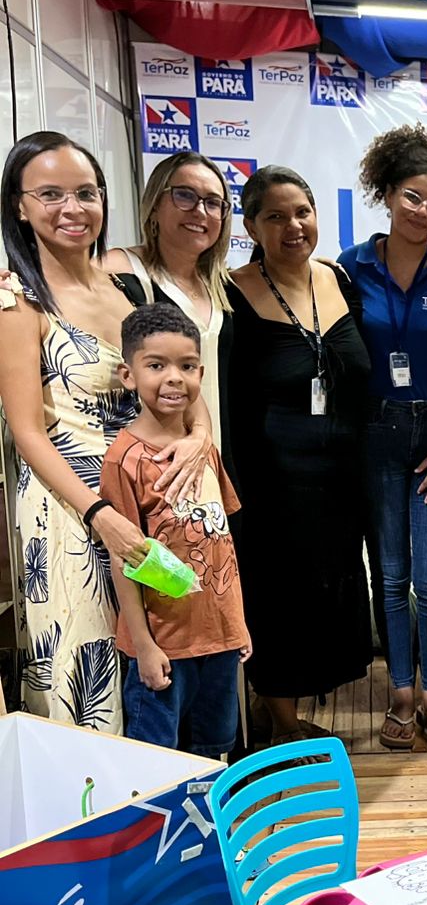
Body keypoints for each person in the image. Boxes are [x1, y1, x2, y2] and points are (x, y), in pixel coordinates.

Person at [0, 132, 208, 731]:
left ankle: (175, 790)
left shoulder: (125, 287)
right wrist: (100, 516)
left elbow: (182, 378)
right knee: (91, 675)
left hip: (151, 501)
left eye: (86, 193)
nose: (72, 209)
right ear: (19, 207)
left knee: (166, 668)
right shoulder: (16, 301)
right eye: (50, 195)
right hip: (73, 514)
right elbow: (26, 432)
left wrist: (199, 437)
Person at [340, 125, 427, 750]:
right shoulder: (350, 268)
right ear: (388, 193)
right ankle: (400, 690)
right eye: (412, 197)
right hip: (375, 431)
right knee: (391, 576)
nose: (423, 211)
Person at [227, 165, 372, 746]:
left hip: (341, 478)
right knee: (277, 599)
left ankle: (283, 710)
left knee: (325, 594)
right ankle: (284, 726)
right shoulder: (232, 291)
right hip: (271, 484)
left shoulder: (337, 277)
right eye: (275, 216)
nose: (293, 226)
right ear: (250, 226)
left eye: (302, 212)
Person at [101, 303, 250, 757]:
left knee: (211, 749)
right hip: (164, 644)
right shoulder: (124, 460)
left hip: (219, 641)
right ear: (129, 375)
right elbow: (125, 560)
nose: (174, 378)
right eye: (156, 365)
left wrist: (237, 625)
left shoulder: (204, 450)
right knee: (156, 754)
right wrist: (144, 646)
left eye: (186, 366)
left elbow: (221, 543)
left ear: (201, 373)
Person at [106, 149, 233, 460]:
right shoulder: (120, 269)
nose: (200, 211)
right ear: (155, 205)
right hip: (157, 460)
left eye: (213, 202)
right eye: (184, 195)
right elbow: (61, 281)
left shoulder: (223, 285)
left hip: (219, 455)